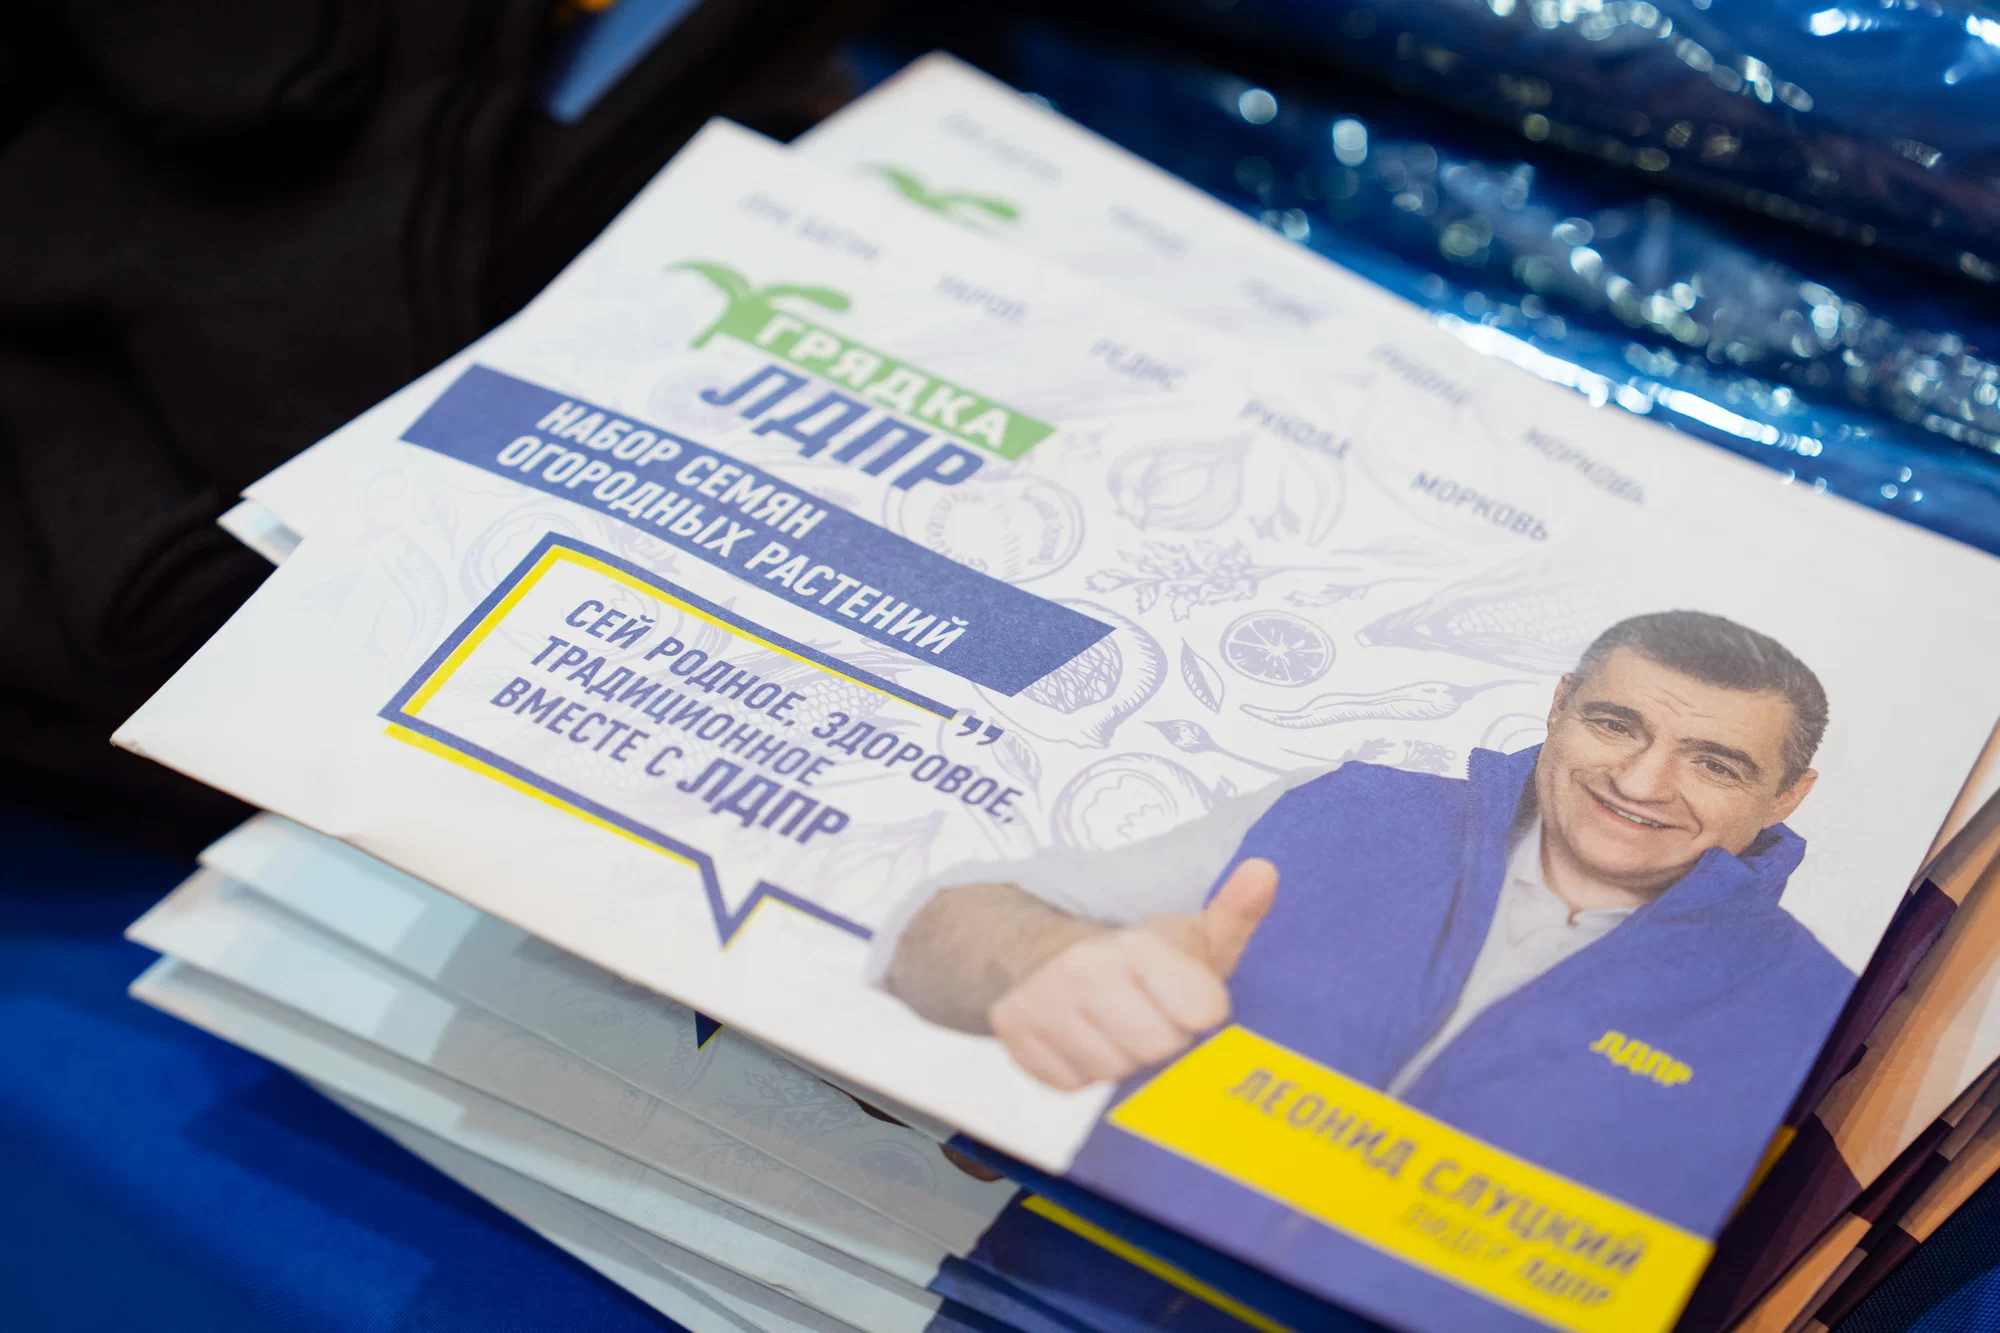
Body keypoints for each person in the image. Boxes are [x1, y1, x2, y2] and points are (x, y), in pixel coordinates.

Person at [870, 610, 1854, 1236]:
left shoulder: (1814, 1012)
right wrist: (1055, 961)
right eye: (1614, 724)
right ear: (1558, 706)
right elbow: (938, 918)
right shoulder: (1344, 808)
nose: (1638, 782)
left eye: (1712, 764)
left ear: (1787, 796)